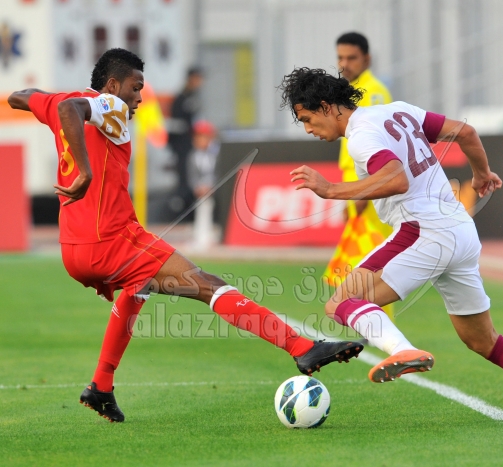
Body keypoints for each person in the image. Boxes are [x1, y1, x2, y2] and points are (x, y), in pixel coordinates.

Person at [7, 50, 363, 423]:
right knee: (210, 285)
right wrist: (85, 171)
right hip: (112, 241)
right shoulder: (109, 105)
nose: (139, 98)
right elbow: (72, 110)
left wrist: (46, 101)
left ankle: (101, 385)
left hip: (73, 250)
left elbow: (22, 96)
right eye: (135, 87)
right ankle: (301, 346)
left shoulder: (61, 101)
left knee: (138, 288)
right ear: (112, 85)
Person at [279, 67, 503, 426]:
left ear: (326, 106)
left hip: (422, 230)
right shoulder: (397, 110)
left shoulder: (361, 136)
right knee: (484, 341)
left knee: (341, 302)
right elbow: (465, 132)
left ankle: (402, 350)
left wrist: (330, 189)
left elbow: (396, 179)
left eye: (307, 119)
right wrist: (481, 173)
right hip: (460, 230)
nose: (308, 129)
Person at [325, 32, 395, 320]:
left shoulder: (373, 92)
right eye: (340, 57)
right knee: (363, 262)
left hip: (368, 186)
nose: (345, 64)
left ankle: (379, 325)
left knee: (374, 262)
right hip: (356, 184)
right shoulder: (352, 91)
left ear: (367, 59)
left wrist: (366, 190)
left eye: (351, 58)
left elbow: (378, 145)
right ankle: (370, 322)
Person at [167, 67, 203, 216]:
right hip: (183, 145)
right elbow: (176, 125)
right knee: (185, 176)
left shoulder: (194, 97)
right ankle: (181, 207)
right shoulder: (181, 98)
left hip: (192, 144)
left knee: (194, 175)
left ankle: (190, 206)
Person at [188, 120, 220, 249]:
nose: (198, 140)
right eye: (197, 137)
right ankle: (201, 236)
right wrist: (197, 188)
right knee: (202, 206)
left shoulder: (217, 153)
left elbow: (219, 172)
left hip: (216, 189)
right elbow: (192, 176)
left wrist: (212, 187)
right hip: (202, 191)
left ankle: (214, 234)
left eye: (202, 136)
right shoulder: (193, 156)